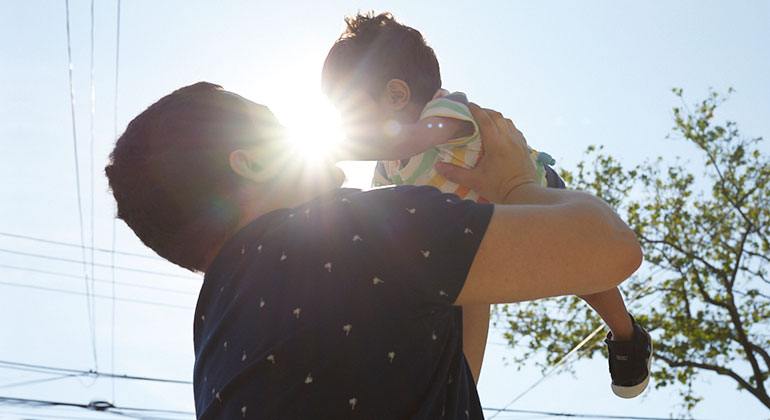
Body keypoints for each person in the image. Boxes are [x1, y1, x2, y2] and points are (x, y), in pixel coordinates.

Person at [105, 82, 643, 419]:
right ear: (250, 163)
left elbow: (446, 383)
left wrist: (467, 213)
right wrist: (515, 186)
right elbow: (613, 248)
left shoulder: (217, 335)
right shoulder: (349, 230)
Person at [321, 11, 652, 399]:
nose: (342, 122)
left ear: (397, 95)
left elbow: (410, 141)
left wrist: (332, 148)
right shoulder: (387, 167)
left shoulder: (447, 112)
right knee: (465, 295)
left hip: (529, 193)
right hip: (478, 225)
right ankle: (462, 394)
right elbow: (381, 209)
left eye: (346, 110)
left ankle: (626, 334)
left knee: (585, 278)